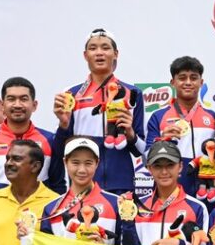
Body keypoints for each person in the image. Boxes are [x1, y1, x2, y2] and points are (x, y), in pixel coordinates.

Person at [52, 28, 145, 195]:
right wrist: (63, 125)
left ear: (116, 54)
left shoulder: (133, 93)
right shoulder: (70, 94)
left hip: (121, 184)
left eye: (105, 48)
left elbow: (141, 150)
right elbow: (59, 150)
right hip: (83, 183)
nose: (99, 53)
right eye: (93, 48)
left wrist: (130, 134)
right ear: (85, 55)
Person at [145, 56, 215, 204]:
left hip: (204, 189)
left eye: (193, 78)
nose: (188, 82)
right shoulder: (158, 116)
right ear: (172, 82)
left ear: (201, 82)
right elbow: (146, 157)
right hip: (169, 189)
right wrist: (161, 141)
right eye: (182, 78)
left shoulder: (212, 116)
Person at [0, 77, 65, 194]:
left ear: (34, 105)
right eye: (11, 99)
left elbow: (58, 185)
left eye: (24, 99)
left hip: (41, 206)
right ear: (2, 105)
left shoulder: (50, 140)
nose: (17, 105)